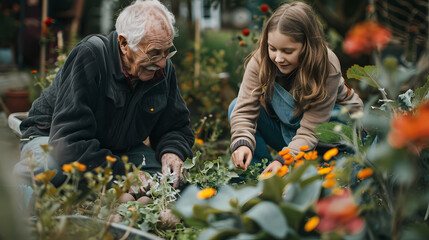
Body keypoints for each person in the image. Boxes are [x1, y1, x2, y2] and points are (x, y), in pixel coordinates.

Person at [14, 0, 194, 189]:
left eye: (167, 52)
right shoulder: (91, 56)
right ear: (124, 44)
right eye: (154, 53)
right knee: (47, 171)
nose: (163, 63)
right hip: (52, 138)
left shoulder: (162, 70)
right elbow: (68, 141)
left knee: (164, 181)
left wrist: (172, 152)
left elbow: (175, 126)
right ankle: (15, 208)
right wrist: (123, 173)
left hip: (116, 150)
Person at [228, 1, 363, 174]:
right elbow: (244, 110)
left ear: (308, 46)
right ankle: (262, 177)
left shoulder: (327, 65)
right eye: (272, 48)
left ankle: (329, 168)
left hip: (332, 136)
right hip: (292, 133)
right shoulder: (261, 61)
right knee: (235, 107)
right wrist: (242, 142)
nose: (277, 58)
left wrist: (284, 160)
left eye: (288, 51)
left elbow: (311, 130)